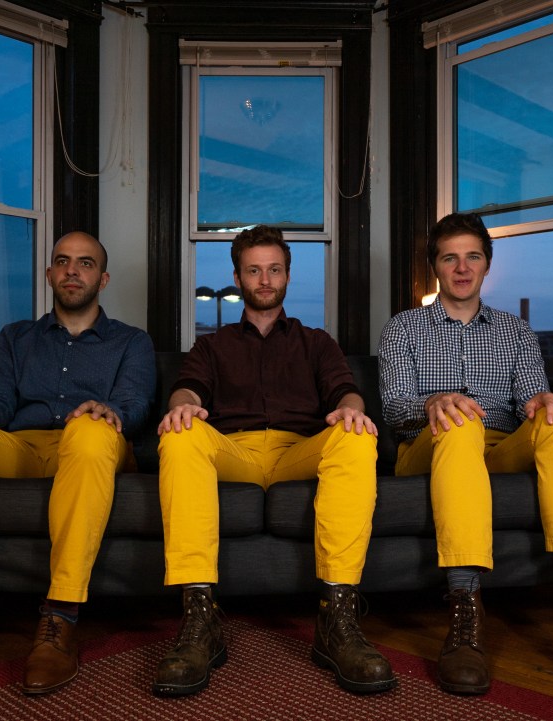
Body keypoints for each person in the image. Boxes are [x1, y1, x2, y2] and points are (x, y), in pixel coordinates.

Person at [377, 212, 553, 699]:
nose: (462, 268)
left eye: (472, 256)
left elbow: (531, 401)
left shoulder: (516, 331)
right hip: (427, 445)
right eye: (450, 258)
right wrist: (434, 402)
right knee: (459, 421)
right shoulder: (403, 328)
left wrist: (547, 402)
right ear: (435, 266)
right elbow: (393, 409)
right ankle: (465, 616)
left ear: (487, 264)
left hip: (498, 445)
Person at [0, 231, 156, 696]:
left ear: (102, 279)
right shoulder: (16, 337)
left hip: (93, 444)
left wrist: (109, 411)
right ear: (49, 274)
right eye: (62, 261)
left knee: (89, 430)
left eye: (85, 263)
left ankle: (60, 616)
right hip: (23, 445)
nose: (72, 270)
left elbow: (136, 402)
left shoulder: (131, 341)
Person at [153, 225, 395, 697]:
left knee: (356, 435)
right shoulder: (212, 345)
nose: (265, 280)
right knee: (180, 434)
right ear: (238, 277)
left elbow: (345, 390)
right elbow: (188, 389)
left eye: (274, 270)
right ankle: (200, 617)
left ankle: (337, 618)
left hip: (297, 450)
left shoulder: (316, 341)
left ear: (287, 275)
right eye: (254, 271)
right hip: (235, 450)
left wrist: (352, 409)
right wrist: (181, 406)